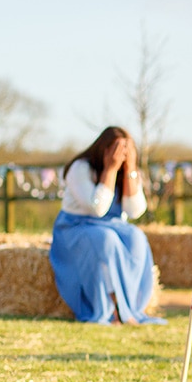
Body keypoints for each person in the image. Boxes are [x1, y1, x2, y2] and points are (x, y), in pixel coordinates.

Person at [50, 126, 165, 325]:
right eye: (117, 150)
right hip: (76, 227)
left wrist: (130, 170)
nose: (121, 156)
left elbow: (135, 211)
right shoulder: (80, 168)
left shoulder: (128, 171)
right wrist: (110, 169)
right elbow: (98, 208)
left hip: (113, 225)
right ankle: (111, 308)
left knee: (137, 237)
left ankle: (131, 307)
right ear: (104, 150)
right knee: (105, 240)